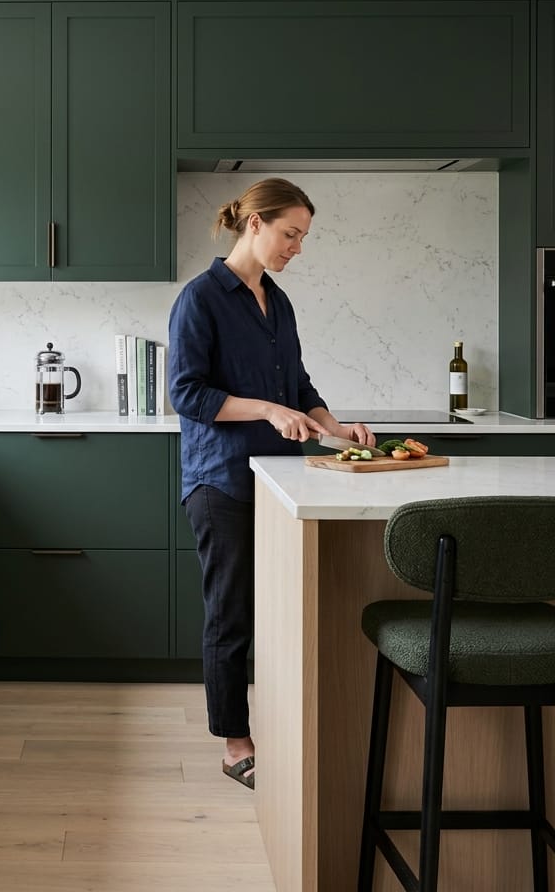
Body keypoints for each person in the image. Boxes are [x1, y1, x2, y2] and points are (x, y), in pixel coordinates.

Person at [168, 177, 375, 791]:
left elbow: (297, 386)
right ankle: (235, 743)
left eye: (303, 238)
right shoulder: (200, 298)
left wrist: (334, 426)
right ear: (254, 224)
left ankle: (284, 726)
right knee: (231, 615)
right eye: (290, 234)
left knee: (286, 612)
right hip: (221, 480)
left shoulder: (277, 300)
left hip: (281, 478)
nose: (297, 248)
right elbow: (186, 393)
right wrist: (263, 409)